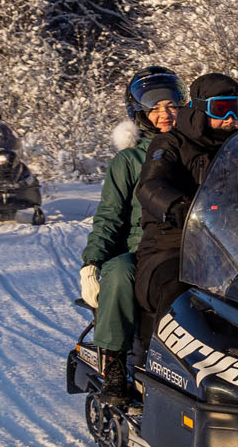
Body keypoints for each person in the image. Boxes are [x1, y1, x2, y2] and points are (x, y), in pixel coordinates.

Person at [79, 66, 186, 405]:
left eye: (170, 105)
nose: (164, 114)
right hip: (140, 250)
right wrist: (92, 263)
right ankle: (113, 365)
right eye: (154, 107)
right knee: (122, 271)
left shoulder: (195, 152)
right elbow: (109, 216)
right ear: (139, 112)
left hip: (194, 245)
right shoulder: (128, 161)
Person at [134, 72, 238, 318]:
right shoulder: (170, 144)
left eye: (237, 109)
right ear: (200, 111)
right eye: (221, 110)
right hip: (173, 248)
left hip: (236, 250)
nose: (231, 118)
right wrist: (177, 205)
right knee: (178, 294)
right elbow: (151, 184)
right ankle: (154, 352)